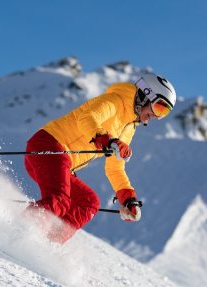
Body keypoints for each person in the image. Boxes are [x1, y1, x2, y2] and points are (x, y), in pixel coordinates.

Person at [24, 73, 177, 243]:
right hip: (49, 145)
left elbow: (115, 168)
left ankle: (47, 244)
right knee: (60, 200)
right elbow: (87, 118)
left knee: (88, 202)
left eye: (164, 113)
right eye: (159, 108)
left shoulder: (129, 127)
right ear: (146, 95)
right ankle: (20, 230)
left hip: (62, 163)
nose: (157, 116)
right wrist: (107, 139)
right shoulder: (115, 101)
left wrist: (128, 199)